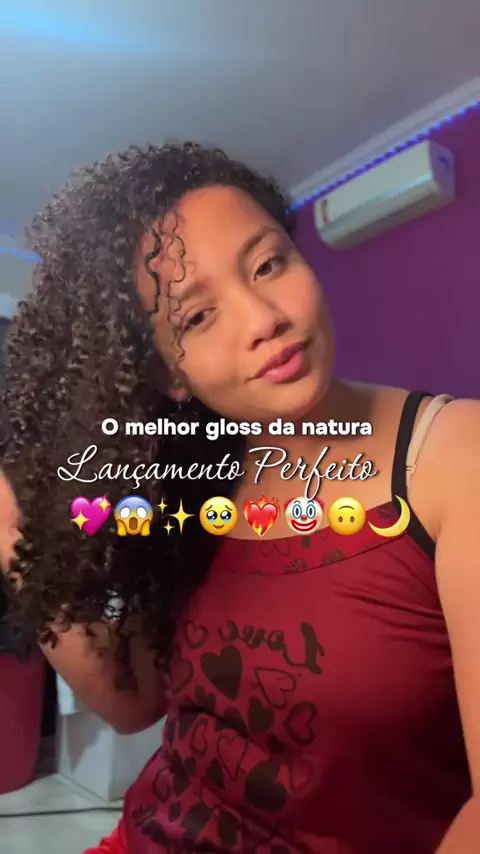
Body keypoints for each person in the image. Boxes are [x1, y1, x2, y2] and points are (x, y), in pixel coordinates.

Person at [0, 142, 480, 854]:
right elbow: (133, 704)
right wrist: (13, 524)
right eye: (197, 317)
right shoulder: (195, 483)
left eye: (268, 265)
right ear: (171, 378)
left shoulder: (454, 455)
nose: (262, 319)